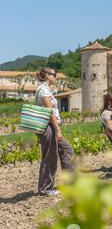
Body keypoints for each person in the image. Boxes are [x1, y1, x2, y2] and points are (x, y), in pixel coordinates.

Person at [35, 68, 75, 196]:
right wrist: (57, 129)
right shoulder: (44, 90)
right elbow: (49, 111)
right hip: (48, 128)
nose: (56, 77)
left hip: (50, 127)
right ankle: (45, 189)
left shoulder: (46, 89)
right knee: (49, 157)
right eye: (54, 75)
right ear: (47, 75)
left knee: (67, 150)